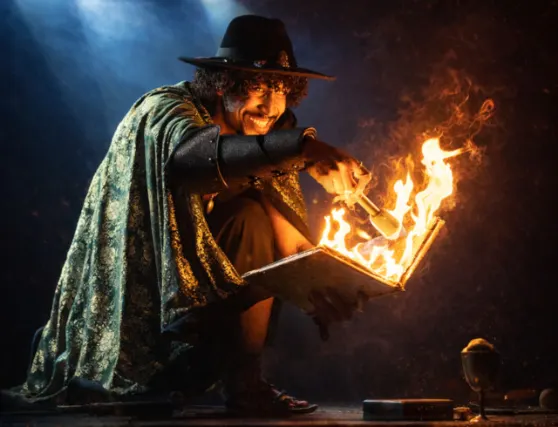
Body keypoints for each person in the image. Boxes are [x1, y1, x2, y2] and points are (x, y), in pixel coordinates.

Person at [10, 15, 371, 416]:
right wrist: (302, 150)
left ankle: (245, 382)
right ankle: (147, 381)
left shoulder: (267, 140)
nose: (270, 105)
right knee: (249, 220)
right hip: (143, 313)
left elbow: (286, 241)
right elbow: (194, 158)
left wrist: (323, 285)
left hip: (202, 323)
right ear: (223, 82)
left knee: (253, 218)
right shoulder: (163, 111)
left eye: (282, 88)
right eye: (257, 85)